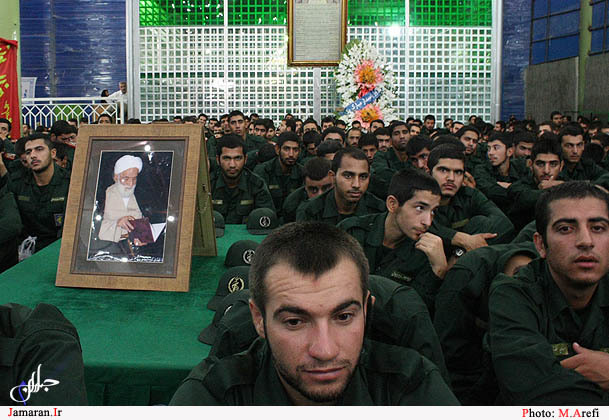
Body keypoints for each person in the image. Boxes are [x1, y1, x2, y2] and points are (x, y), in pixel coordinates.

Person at [170, 222, 458, 405]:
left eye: (343, 317)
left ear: (367, 310)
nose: (325, 350)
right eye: (295, 322)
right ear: (259, 319)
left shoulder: (412, 386)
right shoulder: (214, 396)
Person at [489, 181, 609, 404]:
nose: (586, 241)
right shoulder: (512, 294)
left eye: (598, 228)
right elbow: (530, 388)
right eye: (565, 229)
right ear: (541, 245)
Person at [339, 169, 447, 314]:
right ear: (392, 204)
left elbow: (415, 311)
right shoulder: (351, 232)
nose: (427, 222)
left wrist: (439, 271)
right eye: (420, 208)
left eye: (433, 211)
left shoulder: (427, 251)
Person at [428, 144, 515, 251]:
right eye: (443, 170)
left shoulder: (469, 194)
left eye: (458, 172)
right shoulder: (416, 197)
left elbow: (504, 223)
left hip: (464, 257)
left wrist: (461, 252)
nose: (451, 178)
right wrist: (460, 238)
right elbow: (418, 227)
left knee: (480, 222)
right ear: (429, 172)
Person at [0, 134, 70, 253]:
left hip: (58, 249)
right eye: (28, 152)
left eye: (39, 149)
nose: (33, 155)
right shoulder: (17, 182)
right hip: (25, 249)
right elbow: (9, 220)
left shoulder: (70, 183)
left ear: (53, 153)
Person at [296, 147, 384, 225]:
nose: (356, 185)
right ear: (333, 176)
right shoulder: (311, 211)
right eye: (348, 176)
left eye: (363, 177)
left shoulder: (379, 210)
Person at [210, 135, 275, 223]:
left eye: (238, 158)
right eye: (226, 158)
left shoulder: (257, 185)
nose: (232, 165)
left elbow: (266, 219)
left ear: (245, 159)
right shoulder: (208, 185)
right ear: (218, 160)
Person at [507, 136, 565, 230]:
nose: (546, 171)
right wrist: (558, 188)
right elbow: (525, 199)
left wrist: (560, 186)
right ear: (530, 164)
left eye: (553, 164)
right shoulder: (518, 188)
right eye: (540, 164)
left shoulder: (564, 182)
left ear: (561, 166)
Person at [98, 155, 145, 243]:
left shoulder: (140, 195)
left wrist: (144, 237)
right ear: (116, 177)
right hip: (108, 246)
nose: (131, 184)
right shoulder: (103, 195)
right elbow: (93, 227)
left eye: (134, 179)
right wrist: (117, 223)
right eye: (126, 179)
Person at [253, 132, 304, 213]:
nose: (291, 154)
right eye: (286, 149)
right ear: (277, 149)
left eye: (295, 150)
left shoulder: (302, 172)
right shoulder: (263, 171)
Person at [282, 157, 333, 223]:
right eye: (314, 190)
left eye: (326, 188)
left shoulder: (344, 197)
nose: (320, 195)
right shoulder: (292, 205)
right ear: (305, 187)